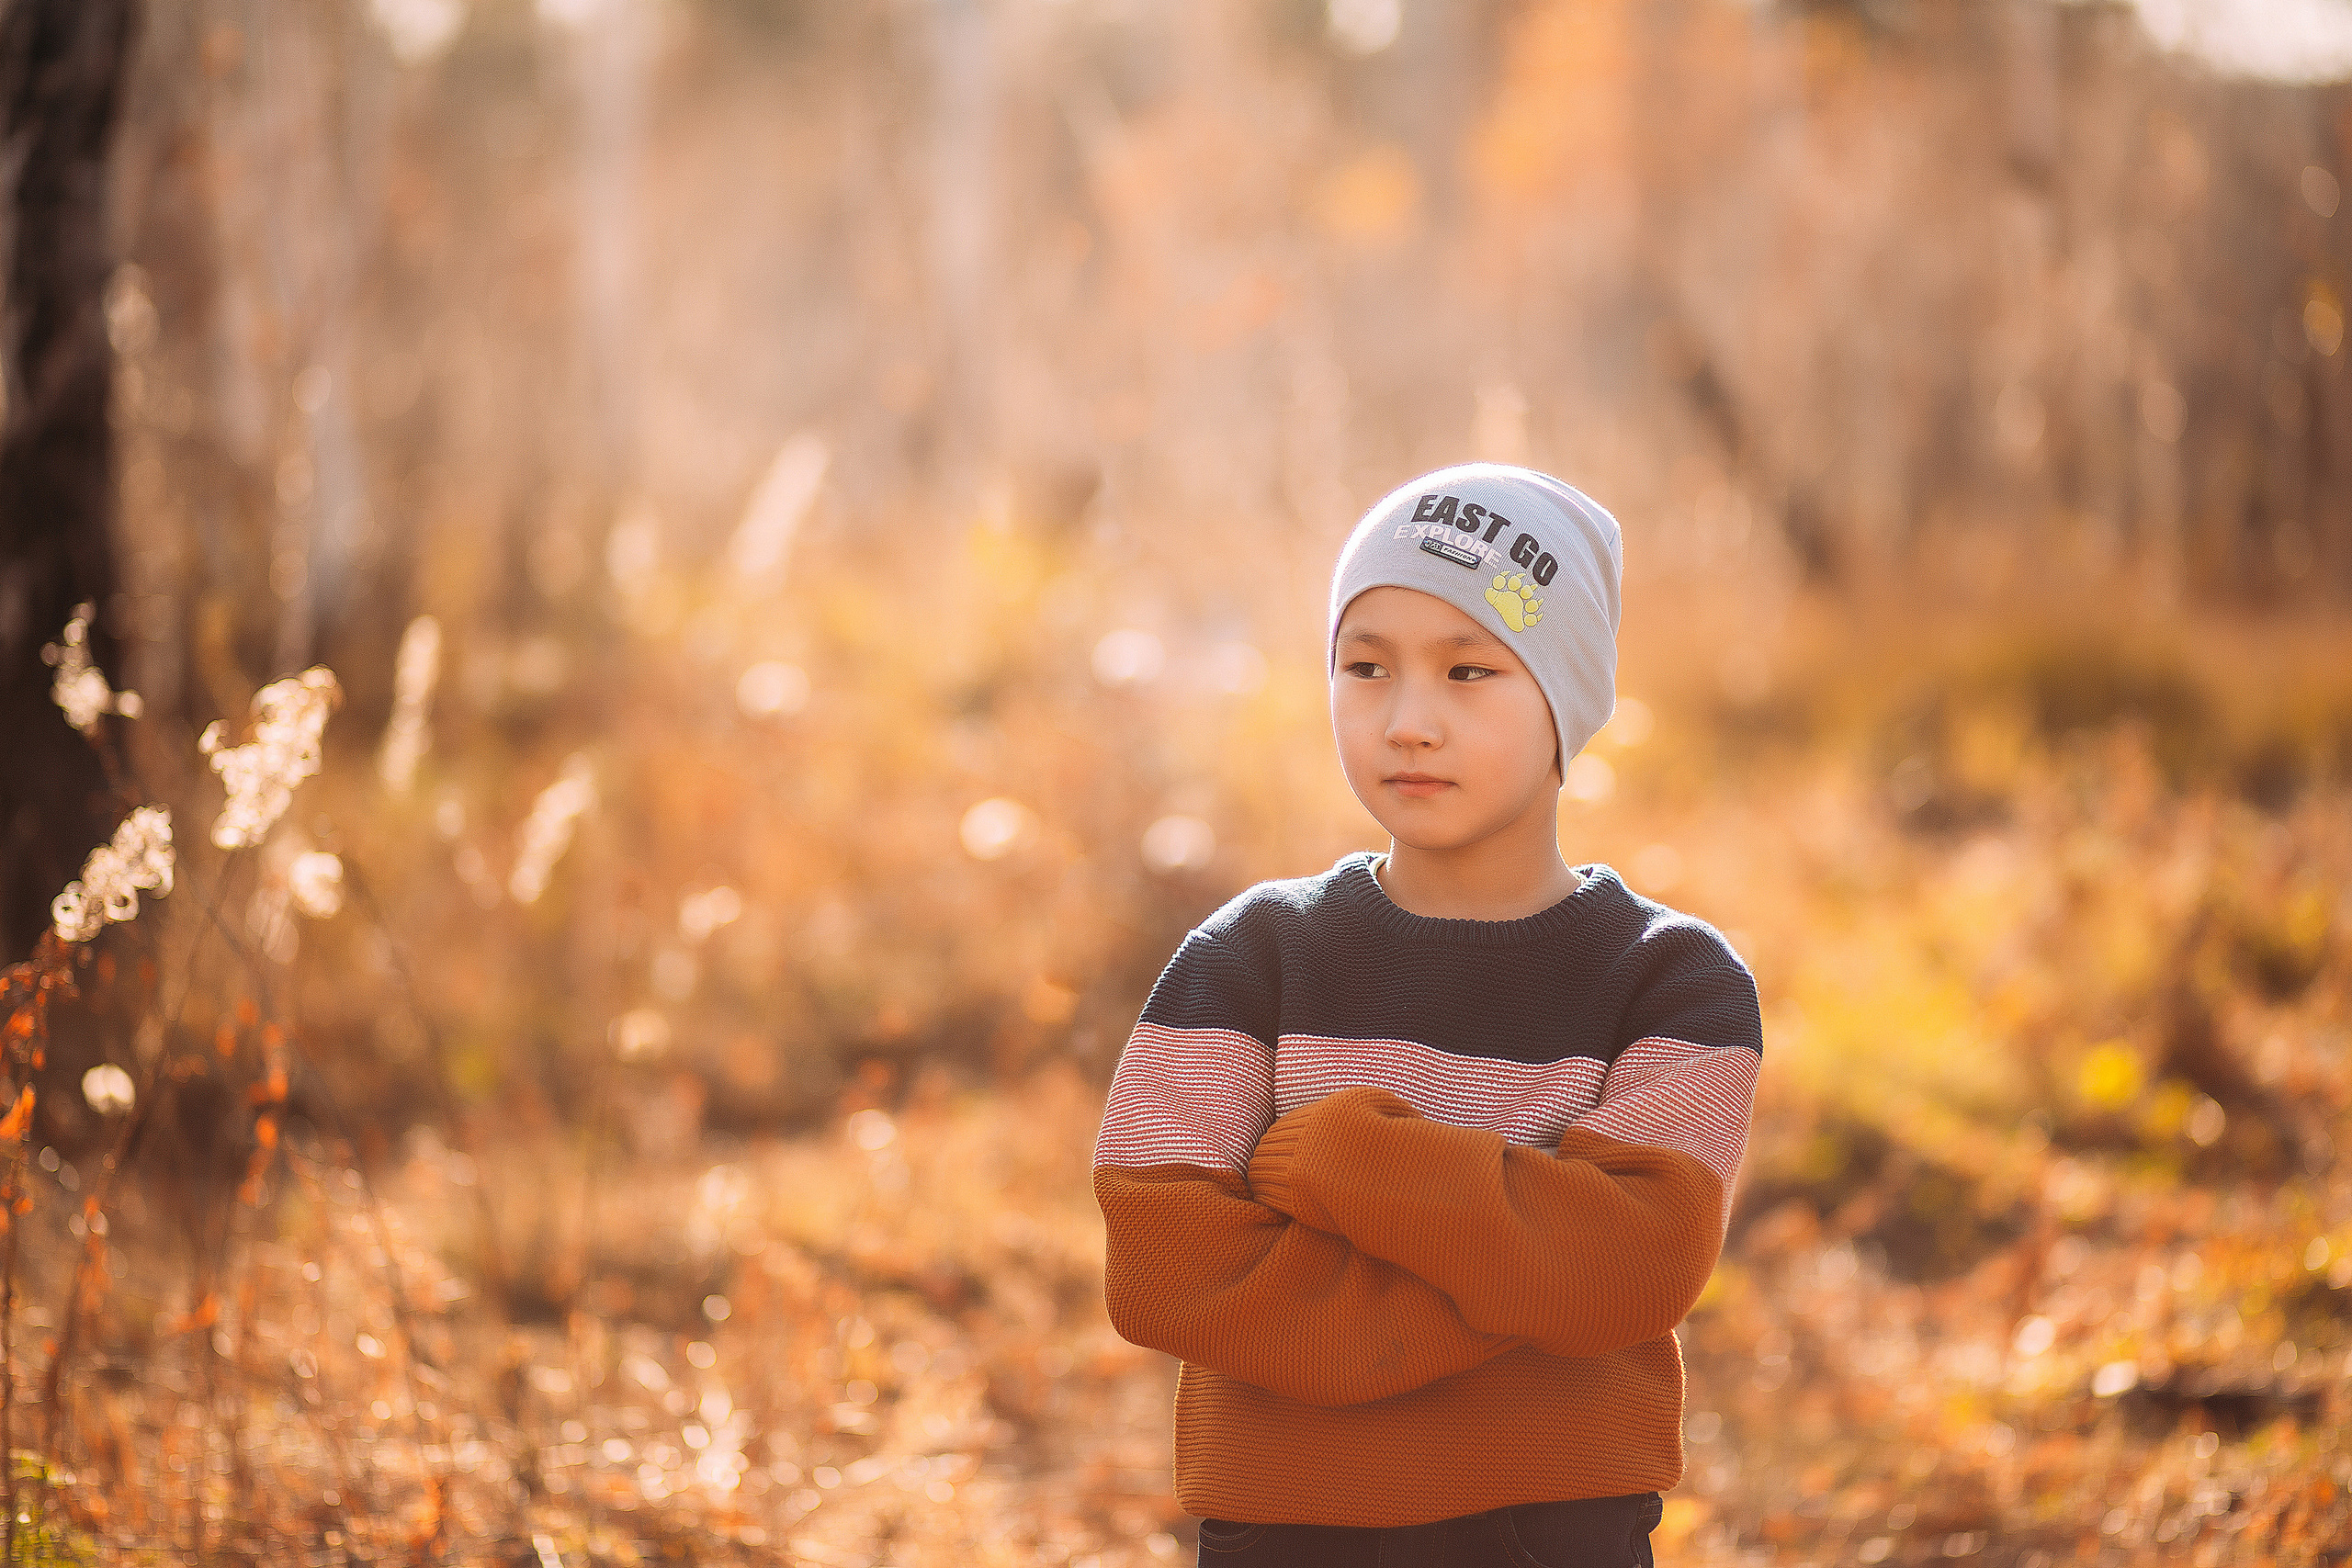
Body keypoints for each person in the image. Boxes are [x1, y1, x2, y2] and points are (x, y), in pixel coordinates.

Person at [1092, 464, 1762, 1568]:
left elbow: (1634, 1264)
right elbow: (1165, 1266)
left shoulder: (1672, 985)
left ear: (1566, 695)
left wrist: (1350, 1162)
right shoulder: (1250, 958)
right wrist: (1521, 1273)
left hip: (1559, 1526)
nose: (1408, 722)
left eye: (1468, 670)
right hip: (1284, 1524)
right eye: (1366, 668)